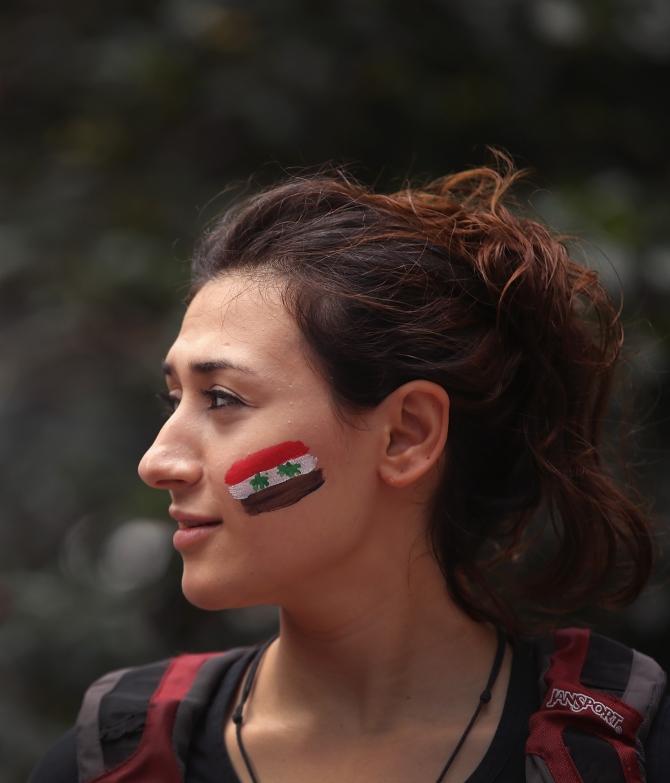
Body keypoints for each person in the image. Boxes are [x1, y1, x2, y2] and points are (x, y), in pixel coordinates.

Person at [30, 158, 669, 782]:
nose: (156, 462)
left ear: (406, 435)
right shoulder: (118, 757)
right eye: (176, 401)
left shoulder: (616, 748)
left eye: (222, 399)